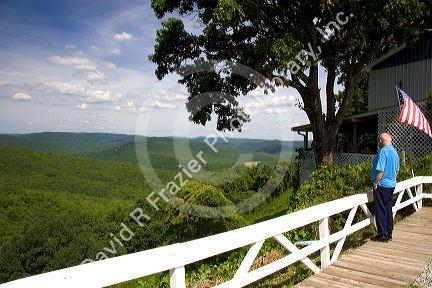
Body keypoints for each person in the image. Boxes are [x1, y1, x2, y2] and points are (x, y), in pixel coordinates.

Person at [370, 133, 400, 242]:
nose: (378, 143)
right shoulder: (395, 152)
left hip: (382, 185)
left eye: (379, 141)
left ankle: (383, 234)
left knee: (380, 209)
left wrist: (376, 182)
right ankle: (389, 232)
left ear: (381, 141)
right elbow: (396, 171)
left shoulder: (383, 152)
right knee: (388, 208)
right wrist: (391, 179)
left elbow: (380, 170)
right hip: (391, 185)